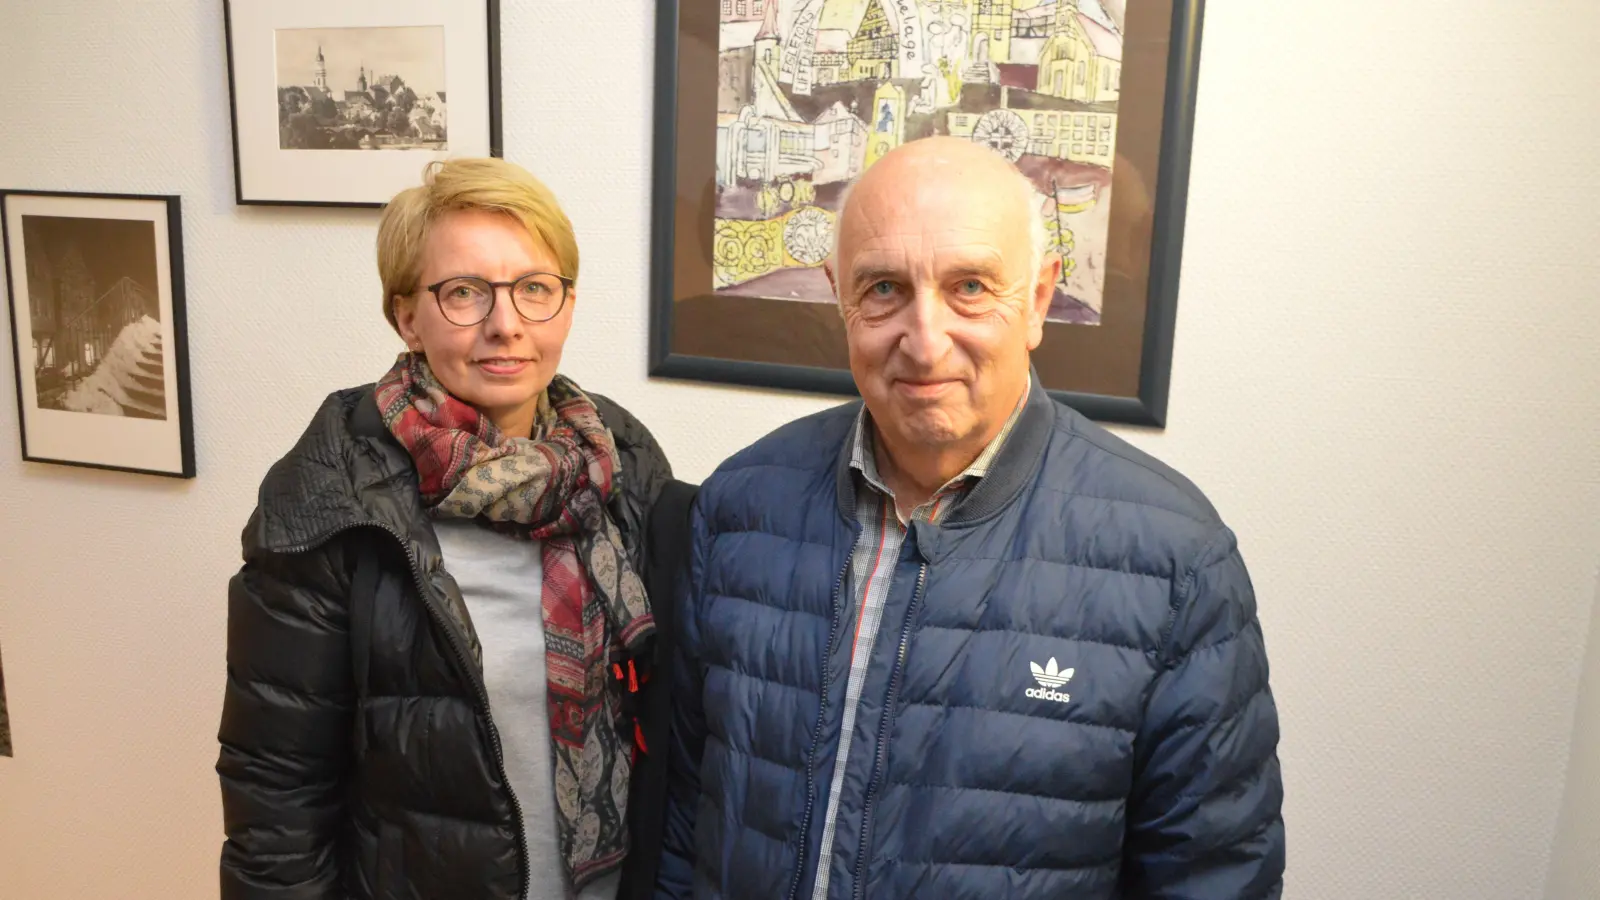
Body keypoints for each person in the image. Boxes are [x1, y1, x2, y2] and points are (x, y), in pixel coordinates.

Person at [657, 136, 1286, 900]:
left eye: (970, 287)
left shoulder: (1174, 562)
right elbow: (686, 821)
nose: (924, 342)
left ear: (1039, 299)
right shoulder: (738, 507)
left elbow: (1213, 878)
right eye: (884, 288)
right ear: (838, 296)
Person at [218, 157, 691, 900]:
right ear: (406, 315)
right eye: (465, 293)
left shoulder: (622, 462)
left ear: (567, 305)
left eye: (535, 289)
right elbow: (278, 799)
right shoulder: (331, 499)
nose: (506, 325)